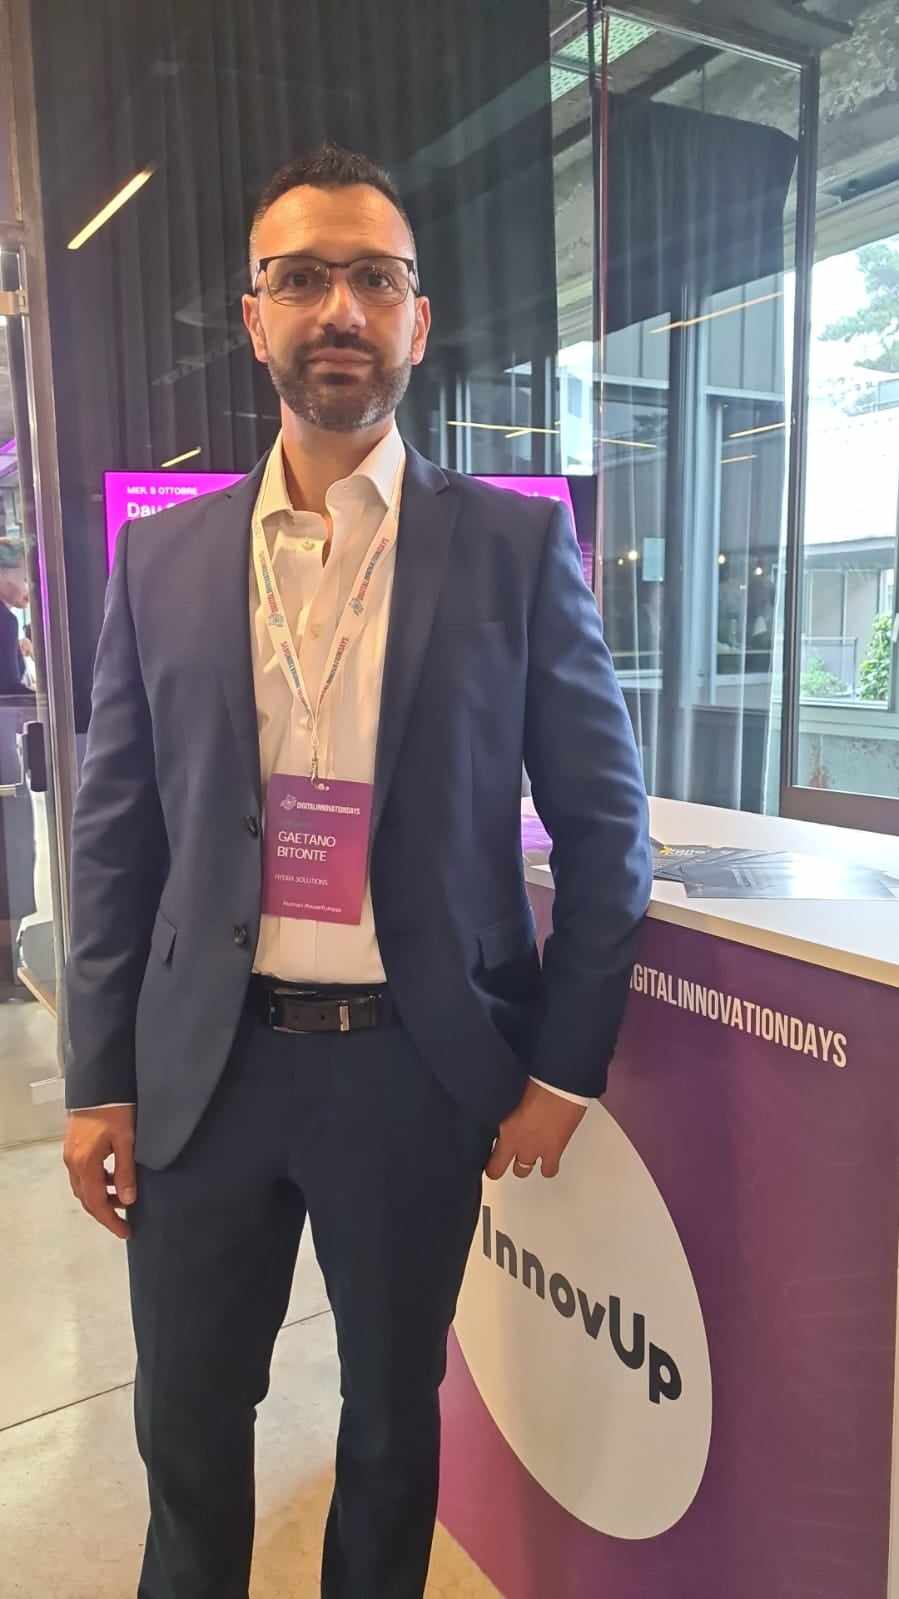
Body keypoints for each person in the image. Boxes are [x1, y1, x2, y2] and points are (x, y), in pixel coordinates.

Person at [62, 143, 651, 1599]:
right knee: (186, 1422)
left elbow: (604, 825)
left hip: (412, 1070)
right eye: (303, 277)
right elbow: (117, 833)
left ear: (417, 318)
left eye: (373, 278)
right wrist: (95, 1074)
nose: (340, 308)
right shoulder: (162, 562)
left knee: (391, 1423)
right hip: (203, 1072)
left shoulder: (514, 548)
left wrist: (562, 1066)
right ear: (252, 314)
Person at [0, 537, 36, 996]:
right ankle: (8, 965)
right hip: (2, 763)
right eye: (22, 576)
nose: (26, 585)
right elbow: (8, 689)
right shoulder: (5, 620)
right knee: (14, 848)